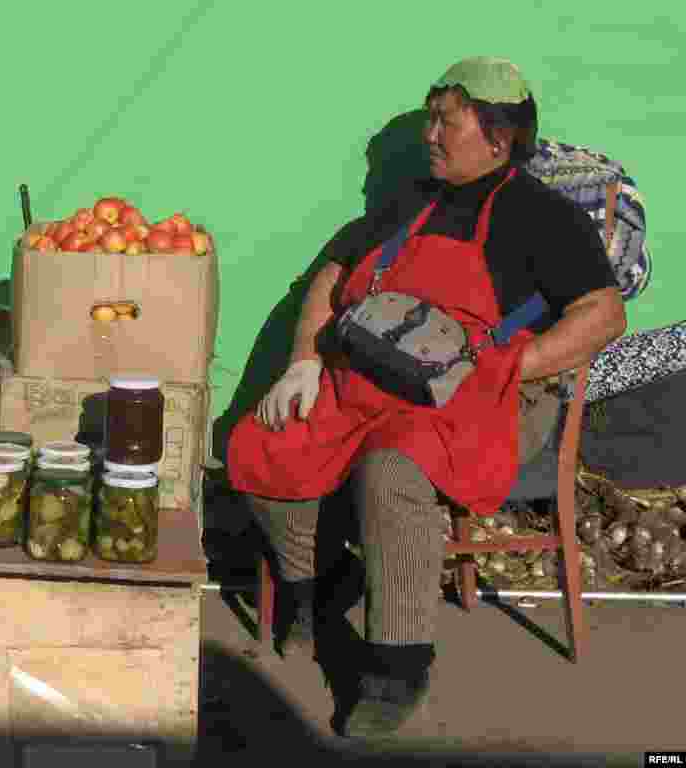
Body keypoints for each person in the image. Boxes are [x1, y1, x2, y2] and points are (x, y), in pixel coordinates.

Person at [227, 57, 626, 738]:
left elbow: (602, 314)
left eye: (447, 120)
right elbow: (335, 269)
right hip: (373, 380)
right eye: (431, 117)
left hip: (480, 399)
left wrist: (511, 364)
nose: (431, 134)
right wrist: (302, 363)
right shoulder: (413, 200)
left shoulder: (543, 217)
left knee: (392, 472)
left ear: (498, 138)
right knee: (264, 436)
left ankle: (397, 664)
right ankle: (318, 581)